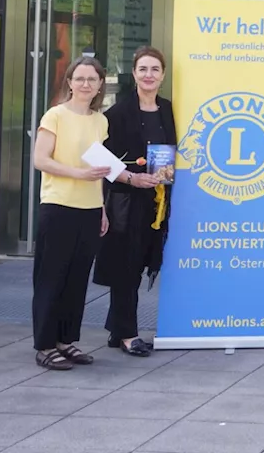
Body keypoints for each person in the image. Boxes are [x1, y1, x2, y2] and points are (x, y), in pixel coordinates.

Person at [30, 56, 110, 370]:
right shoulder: (55, 115)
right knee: (52, 277)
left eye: (92, 79)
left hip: (90, 210)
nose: (86, 84)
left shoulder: (100, 121)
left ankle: (66, 341)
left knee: (77, 280)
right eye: (80, 78)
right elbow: (40, 159)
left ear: (100, 84)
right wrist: (77, 175)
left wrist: (102, 209)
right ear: (69, 81)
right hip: (59, 206)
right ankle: (45, 345)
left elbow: (99, 169)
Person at [95, 46, 176, 357]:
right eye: (143, 69)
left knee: (141, 264)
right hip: (126, 202)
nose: (149, 75)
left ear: (163, 75)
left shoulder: (168, 109)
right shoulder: (116, 114)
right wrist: (132, 177)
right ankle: (128, 333)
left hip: (157, 202)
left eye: (155, 69)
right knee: (125, 268)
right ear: (134, 74)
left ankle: (117, 330)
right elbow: (103, 160)